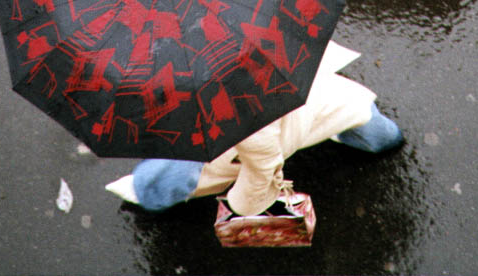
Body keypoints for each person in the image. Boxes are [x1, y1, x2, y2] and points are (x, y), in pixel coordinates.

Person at [105, 41, 403, 216]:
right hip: (320, 96)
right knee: (371, 126)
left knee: (182, 164)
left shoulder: (240, 120)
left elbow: (263, 169)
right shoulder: (263, 35)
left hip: (304, 111)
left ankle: (152, 192)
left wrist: (243, 206)